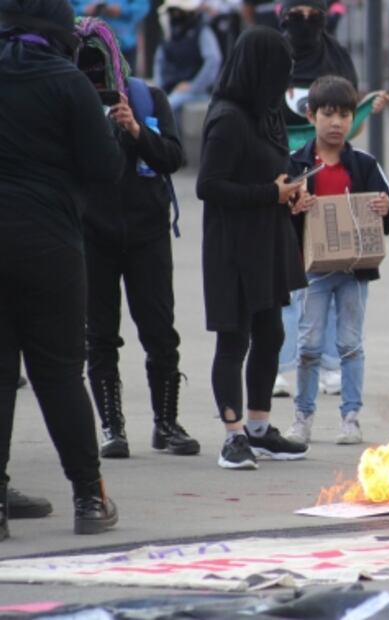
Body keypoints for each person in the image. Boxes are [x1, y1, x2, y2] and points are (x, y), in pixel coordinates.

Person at [0, 0, 122, 537]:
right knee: (58, 373)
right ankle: (89, 499)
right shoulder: (67, 81)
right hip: (49, 243)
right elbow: (105, 170)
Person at [74, 17, 200, 460]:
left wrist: (134, 129)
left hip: (147, 233)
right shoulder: (71, 103)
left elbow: (172, 157)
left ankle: (166, 424)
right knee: (100, 336)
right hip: (94, 233)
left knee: (160, 333)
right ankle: (112, 427)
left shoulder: (150, 97)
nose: (98, 80)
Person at [196, 26, 309, 470]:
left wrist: (292, 192)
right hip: (233, 246)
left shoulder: (268, 112)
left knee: (272, 332)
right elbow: (209, 186)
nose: (284, 84)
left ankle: (260, 429)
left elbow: (276, 170)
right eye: (279, 73)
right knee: (234, 337)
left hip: (269, 237)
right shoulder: (227, 118)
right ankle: (232, 435)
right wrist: (269, 194)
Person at [273, 0, 389, 400]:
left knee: (335, 284)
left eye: (313, 15)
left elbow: (346, 116)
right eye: (296, 14)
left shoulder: (335, 57)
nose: (304, 23)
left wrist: (365, 111)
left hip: (331, 183)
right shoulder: (273, 55)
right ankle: (279, 365)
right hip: (283, 171)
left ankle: (330, 367)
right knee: (288, 285)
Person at [284, 76, 389, 446]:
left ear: (355, 119)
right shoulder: (296, 164)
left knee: (351, 344)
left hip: (354, 271)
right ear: (311, 115)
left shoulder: (365, 164)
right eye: (328, 114)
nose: (336, 123)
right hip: (314, 271)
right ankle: (302, 417)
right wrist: (295, 207)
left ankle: (350, 417)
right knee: (309, 344)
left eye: (345, 115)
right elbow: (279, 219)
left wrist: (385, 209)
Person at [154, 0, 223, 132]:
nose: (176, 14)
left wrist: (193, 85)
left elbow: (213, 60)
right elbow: (159, 61)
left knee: (168, 107)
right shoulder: (170, 31)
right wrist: (160, 87)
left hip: (198, 91)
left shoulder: (202, 31)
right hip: (171, 87)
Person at [73, 0, 150, 70]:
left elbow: (142, 6)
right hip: (85, 48)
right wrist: (83, 10)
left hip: (123, 47)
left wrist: (122, 11)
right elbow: (65, 9)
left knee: (126, 81)